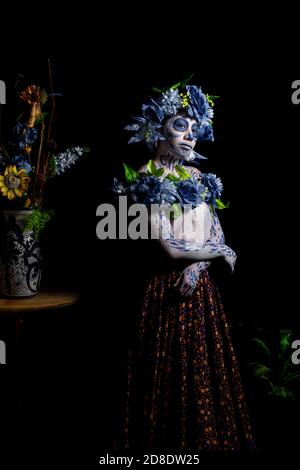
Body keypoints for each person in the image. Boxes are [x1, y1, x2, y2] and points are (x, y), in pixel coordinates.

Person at [112, 81, 255, 452]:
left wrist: (199, 268)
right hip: (163, 294)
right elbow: (171, 250)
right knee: (166, 384)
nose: (190, 137)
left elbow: (215, 232)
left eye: (195, 130)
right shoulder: (144, 178)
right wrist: (213, 255)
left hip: (200, 292)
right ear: (156, 126)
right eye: (180, 126)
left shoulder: (196, 176)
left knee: (203, 380)